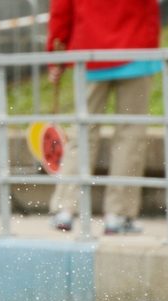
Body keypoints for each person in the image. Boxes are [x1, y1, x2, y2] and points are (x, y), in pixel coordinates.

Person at [46, 0, 161, 235]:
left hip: (89, 51)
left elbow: (61, 8)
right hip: (135, 47)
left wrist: (56, 52)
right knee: (130, 135)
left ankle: (65, 209)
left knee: (82, 132)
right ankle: (117, 214)